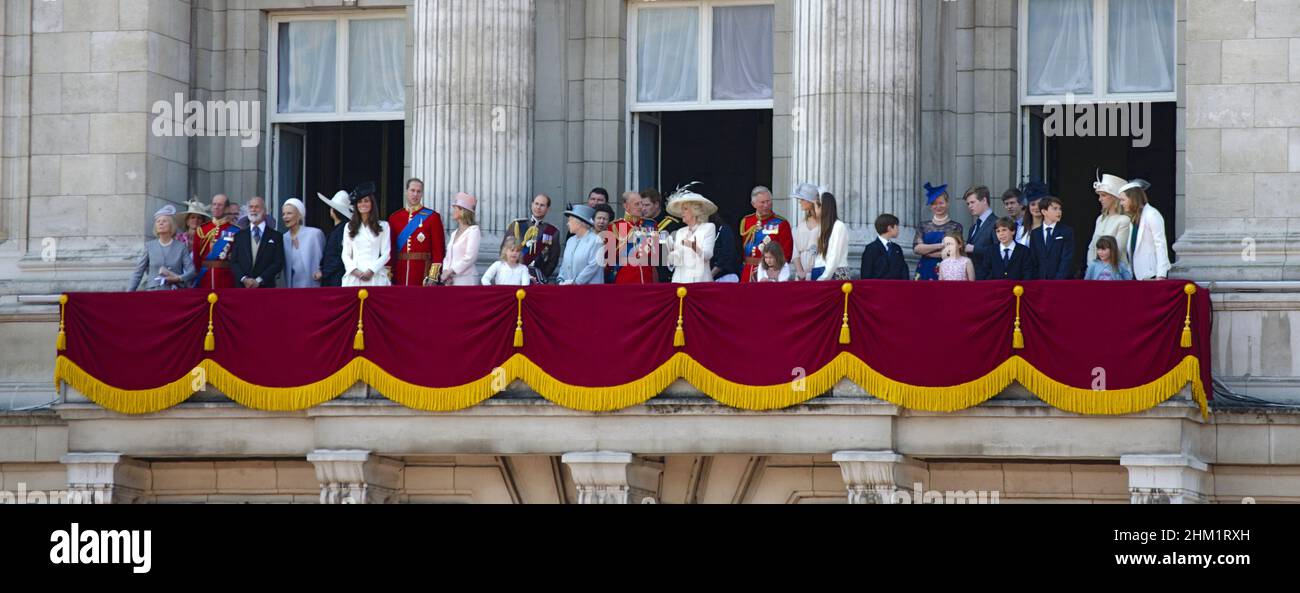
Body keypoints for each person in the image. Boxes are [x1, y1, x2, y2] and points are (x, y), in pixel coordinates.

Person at [387, 178, 446, 287]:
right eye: (412, 190)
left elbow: (438, 250)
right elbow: (390, 249)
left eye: (418, 191)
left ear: (422, 194)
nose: (415, 194)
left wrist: (433, 276)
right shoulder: (394, 218)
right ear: (406, 192)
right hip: (400, 273)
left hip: (423, 272)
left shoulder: (433, 217)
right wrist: (388, 274)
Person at [130, 205, 197, 291]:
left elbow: (192, 271)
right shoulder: (149, 246)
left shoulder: (181, 247)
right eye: (158, 221)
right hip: (153, 292)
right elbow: (138, 272)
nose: (160, 223)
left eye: (164, 221)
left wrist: (178, 278)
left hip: (175, 292)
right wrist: (128, 294)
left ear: (171, 225)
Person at [1120, 179, 1171, 281]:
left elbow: (1160, 244)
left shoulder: (1152, 214)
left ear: (1132, 199)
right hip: (1137, 275)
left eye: (1123, 200)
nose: (1121, 203)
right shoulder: (1133, 218)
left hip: (1152, 274)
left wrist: (1161, 274)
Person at [740, 186, 793, 283]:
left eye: (768, 201)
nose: (766, 205)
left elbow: (786, 254)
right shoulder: (746, 221)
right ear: (753, 204)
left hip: (770, 273)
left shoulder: (781, 223)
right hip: (748, 271)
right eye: (762, 202)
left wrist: (774, 272)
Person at [231, 196, 285, 289]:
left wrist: (259, 280)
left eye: (257, 207)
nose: (253, 210)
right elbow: (234, 262)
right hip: (243, 289)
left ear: (264, 211)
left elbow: (278, 263)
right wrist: (244, 279)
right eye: (251, 207)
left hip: (266, 289)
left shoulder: (276, 236)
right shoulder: (239, 236)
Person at [505, 193, 561, 284]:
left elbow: (553, 260)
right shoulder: (517, 225)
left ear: (548, 209)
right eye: (536, 204)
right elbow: (504, 250)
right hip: (515, 275)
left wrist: (541, 275)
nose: (538, 207)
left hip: (537, 279)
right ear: (532, 205)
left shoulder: (553, 232)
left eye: (542, 205)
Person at [665, 189, 717, 284]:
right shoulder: (680, 232)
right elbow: (675, 261)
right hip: (680, 281)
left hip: (700, 281)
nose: (682, 213)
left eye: (685, 209)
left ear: (695, 211)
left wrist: (693, 246)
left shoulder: (708, 228)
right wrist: (671, 251)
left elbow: (708, 255)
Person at [914, 183, 963, 280]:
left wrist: (927, 252)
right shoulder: (923, 226)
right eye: (934, 203)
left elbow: (954, 251)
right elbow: (917, 249)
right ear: (931, 206)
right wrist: (941, 246)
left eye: (941, 203)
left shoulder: (955, 226)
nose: (938, 206)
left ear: (947, 203)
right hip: (925, 268)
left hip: (948, 268)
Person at [342, 189, 391, 288]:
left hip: (375, 276)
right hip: (354, 276)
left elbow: (386, 253)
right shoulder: (349, 226)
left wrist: (371, 270)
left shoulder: (383, 226)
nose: (363, 204)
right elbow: (345, 254)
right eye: (359, 202)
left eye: (366, 201)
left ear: (372, 203)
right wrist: (355, 271)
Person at [610, 191, 659, 284]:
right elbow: (610, 260)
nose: (641, 207)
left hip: (647, 278)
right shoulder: (615, 227)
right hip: (625, 279)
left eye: (641, 203)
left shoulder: (651, 224)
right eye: (637, 204)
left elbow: (655, 254)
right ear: (626, 206)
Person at [193, 193, 238, 290]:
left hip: (226, 280)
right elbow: (196, 258)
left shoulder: (235, 230)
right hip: (205, 279)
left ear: (226, 208)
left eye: (220, 205)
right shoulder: (202, 230)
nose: (216, 207)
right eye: (214, 204)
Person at [1088, 173, 1133, 268]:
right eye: (1099, 196)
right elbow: (1092, 247)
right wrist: (1092, 268)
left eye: (1103, 195)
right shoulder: (1100, 219)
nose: (1100, 199)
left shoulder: (1124, 220)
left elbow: (1118, 249)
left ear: (1115, 198)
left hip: (1116, 272)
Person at [279, 198, 324, 288]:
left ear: (299, 215)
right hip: (292, 289)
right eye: (283, 214)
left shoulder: (314, 234)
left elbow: (324, 260)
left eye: (289, 213)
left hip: (313, 285)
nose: (285, 217)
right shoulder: (283, 238)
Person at [555, 205, 605, 285]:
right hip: (569, 290)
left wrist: (576, 283)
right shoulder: (570, 241)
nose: (567, 224)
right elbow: (564, 265)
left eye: (570, 220)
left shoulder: (596, 241)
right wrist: (560, 279)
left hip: (589, 291)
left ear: (579, 223)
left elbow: (592, 267)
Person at [441, 192, 482, 286]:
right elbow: (448, 257)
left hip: (466, 279)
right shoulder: (454, 233)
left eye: (455, 208)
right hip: (450, 280)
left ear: (462, 211)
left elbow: (470, 257)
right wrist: (446, 271)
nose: (452, 211)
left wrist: (450, 271)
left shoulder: (473, 231)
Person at [1030, 196, 1075, 280]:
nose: (1059, 212)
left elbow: (1066, 258)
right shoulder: (1035, 233)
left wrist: (1058, 280)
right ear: (1044, 211)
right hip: (1040, 280)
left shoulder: (1066, 231)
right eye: (1055, 209)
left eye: (1060, 209)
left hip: (1061, 281)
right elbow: (1033, 259)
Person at [981, 217, 1036, 281]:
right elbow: (985, 273)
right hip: (996, 289)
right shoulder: (990, 251)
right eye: (998, 231)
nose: (1001, 234)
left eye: (1004, 230)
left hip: (1018, 289)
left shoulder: (1024, 251)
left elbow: (1028, 273)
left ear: (1013, 231)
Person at [810, 192, 850, 281]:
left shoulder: (839, 226)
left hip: (834, 273)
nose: (814, 210)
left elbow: (834, 255)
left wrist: (824, 277)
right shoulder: (823, 227)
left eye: (815, 207)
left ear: (823, 208)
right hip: (821, 270)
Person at [317, 190, 352, 287]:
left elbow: (340, 256)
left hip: (337, 279)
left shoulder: (343, 229)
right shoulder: (337, 229)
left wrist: (324, 272)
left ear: (333, 210)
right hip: (332, 278)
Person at [859, 213, 909, 280]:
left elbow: (903, 270)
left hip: (896, 288)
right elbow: (866, 273)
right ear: (889, 228)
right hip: (877, 288)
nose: (898, 230)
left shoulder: (897, 248)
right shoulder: (871, 248)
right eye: (897, 227)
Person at [963, 186, 998, 280]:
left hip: (989, 279)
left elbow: (999, 251)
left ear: (984, 200)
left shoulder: (996, 223)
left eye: (972, 202)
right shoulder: (973, 227)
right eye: (968, 204)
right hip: (974, 278)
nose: (970, 206)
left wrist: (974, 249)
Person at [791, 183, 821, 281]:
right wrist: (800, 272)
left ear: (811, 201)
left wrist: (809, 271)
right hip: (801, 274)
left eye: (802, 199)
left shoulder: (823, 223)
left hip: (819, 271)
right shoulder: (801, 224)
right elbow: (795, 250)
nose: (800, 202)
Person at [710, 213, 742, 283]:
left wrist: (710, 275)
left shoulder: (723, 229)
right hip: (708, 277)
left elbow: (727, 254)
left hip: (725, 276)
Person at [1019, 182, 1049, 247]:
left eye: (1039, 204)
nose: (1036, 207)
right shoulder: (1021, 229)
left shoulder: (1051, 228)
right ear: (1028, 206)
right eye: (1033, 204)